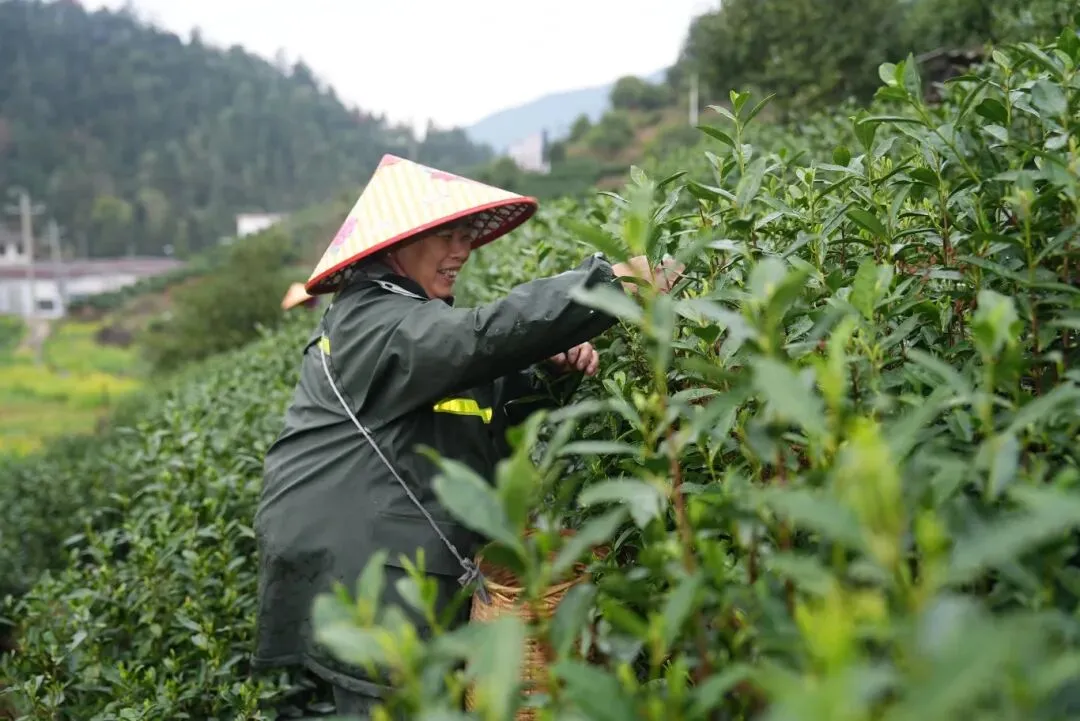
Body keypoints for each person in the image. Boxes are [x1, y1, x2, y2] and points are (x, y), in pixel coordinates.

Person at [252, 154, 679, 717]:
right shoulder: (371, 319)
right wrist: (608, 285)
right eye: (448, 236)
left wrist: (550, 372)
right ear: (395, 244)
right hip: (366, 580)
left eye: (466, 239)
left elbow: (484, 414)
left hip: (390, 570)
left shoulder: (413, 325)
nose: (462, 252)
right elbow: (479, 339)